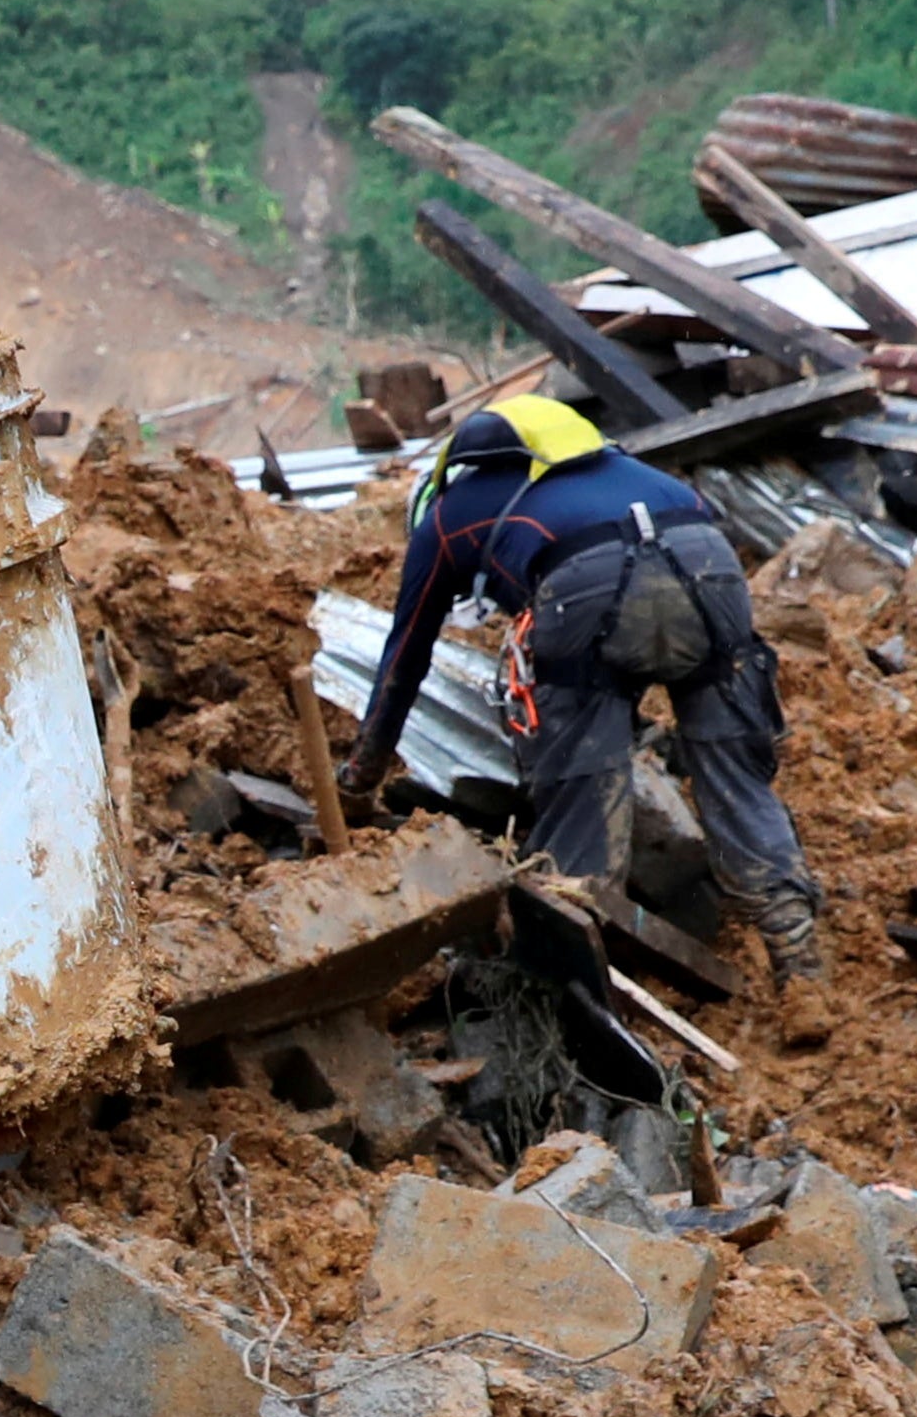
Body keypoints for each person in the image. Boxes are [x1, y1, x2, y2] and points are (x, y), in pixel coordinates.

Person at [347, 396, 827, 988]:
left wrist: (361, 777)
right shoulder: (635, 473)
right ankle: (796, 951)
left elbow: (405, 657)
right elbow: (681, 553)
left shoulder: (443, 519)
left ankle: (577, 952)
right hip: (710, 565)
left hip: (587, 586)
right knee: (734, 773)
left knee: (582, 775)